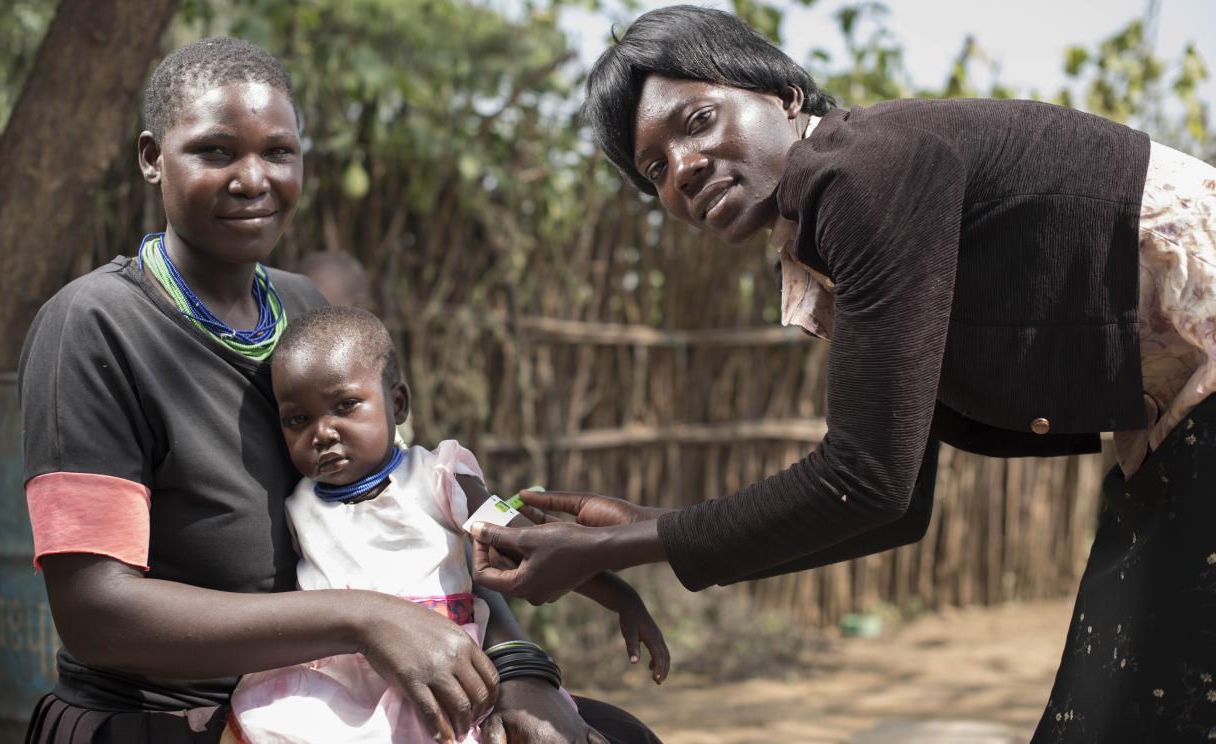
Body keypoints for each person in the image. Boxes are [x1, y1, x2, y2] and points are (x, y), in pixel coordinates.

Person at [470, 6, 1216, 742]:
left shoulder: (865, 172)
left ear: (782, 96)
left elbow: (866, 477)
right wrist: (650, 527)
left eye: (697, 122)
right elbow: (898, 504)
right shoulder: (833, 219)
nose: (684, 171)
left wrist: (619, 547)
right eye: (656, 170)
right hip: (1173, 425)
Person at [20, 36, 659, 743]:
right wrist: (364, 618)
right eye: (215, 152)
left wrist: (517, 667)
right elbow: (94, 613)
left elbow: (423, 523)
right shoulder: (94, 326)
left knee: (615, 734)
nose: (252, 178)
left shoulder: (309, 316)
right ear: (151, 158)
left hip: (349, 695)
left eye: (278, 152)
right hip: (168, 714)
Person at [226, 306, 668, 742]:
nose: (321, 433)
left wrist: (621, 597)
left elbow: (535, 547)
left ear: (397, 404)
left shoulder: (438, 478)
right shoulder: (297, 504)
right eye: (297, 420)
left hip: (450, 670)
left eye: (345, 406)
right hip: (341, 691)